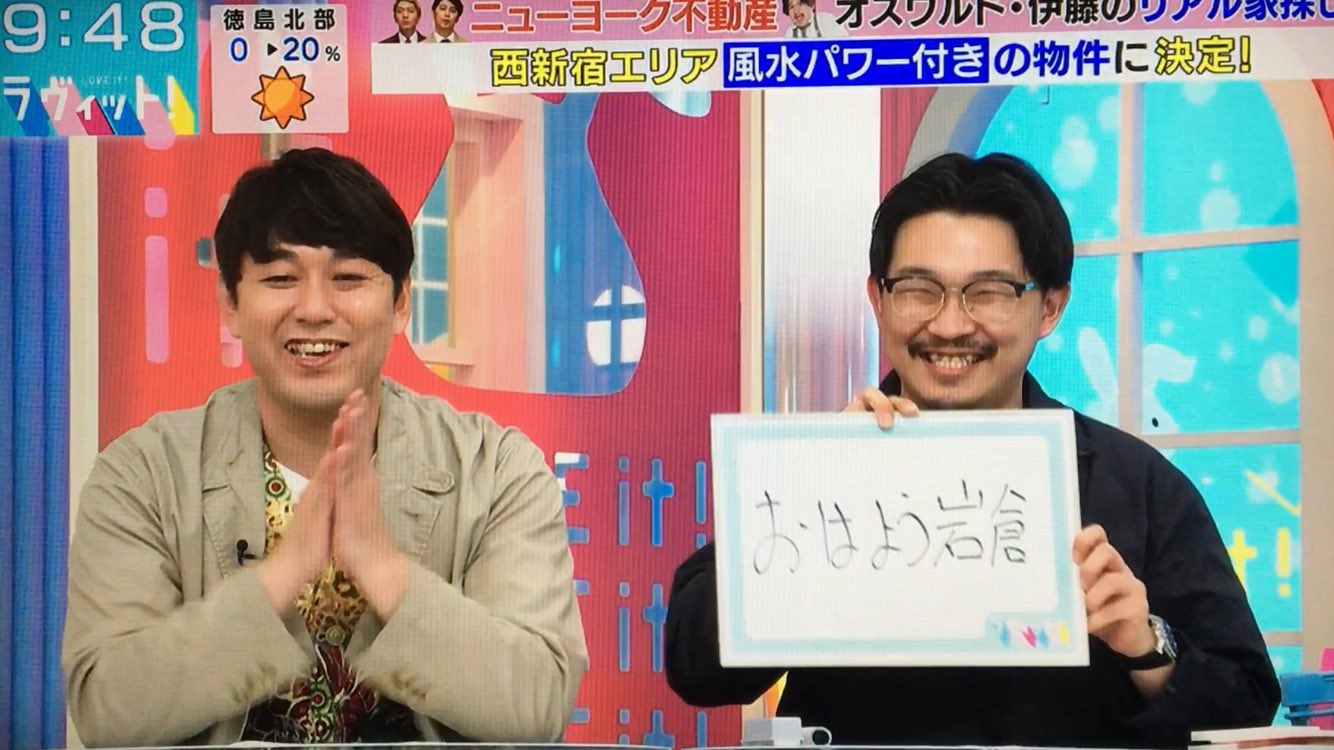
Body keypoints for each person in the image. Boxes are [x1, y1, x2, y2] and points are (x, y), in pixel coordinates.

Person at [664, 152, 1280, 749]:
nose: (950, 325)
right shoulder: (819, 470)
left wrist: (1145, 644)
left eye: (988, 292)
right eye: (918, 289)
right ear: (878, 299)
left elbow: (1247, 697)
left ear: (1050, 307)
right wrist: (813, 498)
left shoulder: (1137, 484)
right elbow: (694, 667)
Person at [62, 148, 587, 746]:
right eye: (280, 279)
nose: (314, 310)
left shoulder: (497, 471)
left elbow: (536, 707)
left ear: (401, 302)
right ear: (230, 302)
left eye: (349, 279)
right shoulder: (143, 474)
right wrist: (280, 577)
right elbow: (108, 712)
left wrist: (385, 570)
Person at [782, 0, 849, 38]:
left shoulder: (826, 20)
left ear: (811, 5)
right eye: (791, 7)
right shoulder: (790, 32)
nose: (796, 11)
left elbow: (844, 44)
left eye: (800, 4)